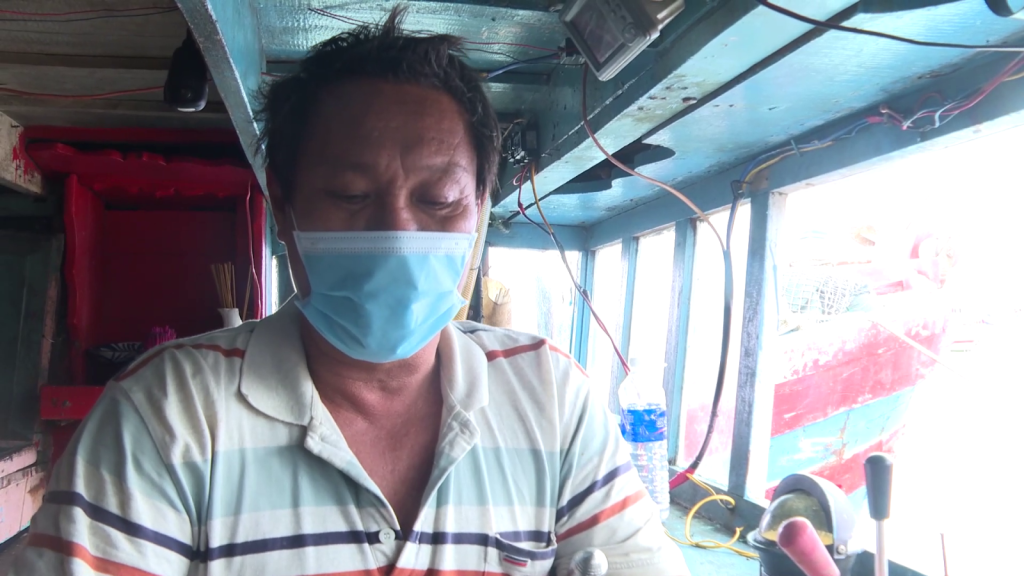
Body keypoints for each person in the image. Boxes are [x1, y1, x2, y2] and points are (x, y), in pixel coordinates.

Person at [12, 8, 690, 576]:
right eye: (350, 195)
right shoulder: (167, 412)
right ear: (284, 210)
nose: (397, 235)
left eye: (438, 200)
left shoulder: (552, 397)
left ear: (481, 214)